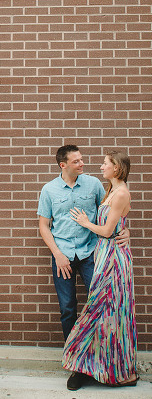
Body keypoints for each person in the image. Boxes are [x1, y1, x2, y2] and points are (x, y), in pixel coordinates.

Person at [37, 144, 130, 391]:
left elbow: (110, 213)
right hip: (63, 256)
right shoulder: (49, 190)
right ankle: (77, 366)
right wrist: (57, 254)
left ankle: (98, 362)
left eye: (82, 159)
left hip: (92, 254)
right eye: (76, 161)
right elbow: (44, 226)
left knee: (100, 306)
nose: (82, 164)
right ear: (63, 165)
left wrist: (126, 231)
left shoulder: (93, 185)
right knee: (68, 308)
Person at [62, 151, 137, 387]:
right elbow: (118, 224)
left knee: (108, 311)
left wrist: (85, 222)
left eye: (105, 164)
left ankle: (121, 372)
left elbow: (106, 231)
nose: (101, 166)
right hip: (106, 253)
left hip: (114, 258)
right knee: (106, 312)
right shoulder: (112, 190)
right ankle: (101, 367)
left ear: (116, 168)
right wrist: (124, 231)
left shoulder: (121, 193)